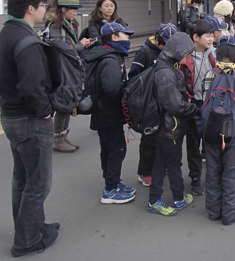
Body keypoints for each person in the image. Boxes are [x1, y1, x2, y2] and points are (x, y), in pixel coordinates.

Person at [0, 0, 59, 257]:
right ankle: (28, 240)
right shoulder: (27, 41)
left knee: (22, 178)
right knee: (39, 182)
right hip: (30, 119)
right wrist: (45, 111)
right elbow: (32, 87)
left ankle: (29, 228)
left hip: (10, 117)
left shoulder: (6, 34)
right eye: (44, 6)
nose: (45, 11)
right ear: (31, 8)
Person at [201, 36, 235, 225]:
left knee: (213, 171)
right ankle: (231, 214)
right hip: (232, 132)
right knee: (232, 172)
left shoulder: (210, 75)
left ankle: (214, 211)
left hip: (210, 130)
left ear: (218, 54)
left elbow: (204, 99)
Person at [84, 22, 137, 204]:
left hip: (101, 112)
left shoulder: (102, 55)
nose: (128, 39)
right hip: (108, 112)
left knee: (107, 148)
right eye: (125, 35)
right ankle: (110, 190)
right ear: (114, 37)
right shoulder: (110, 59)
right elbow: (112, 88)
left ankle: (112, 181)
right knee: (117, 149)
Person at [148, 33, 199, 216]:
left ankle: (154, 200)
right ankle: (178, 198)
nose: (188, 57)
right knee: (174, 163)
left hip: (165, 125)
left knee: (160, 163)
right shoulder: (166, 73)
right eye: (186, 53)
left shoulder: (165, 67)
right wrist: (194, 109)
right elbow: (174, 104)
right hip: (170, 127)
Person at [39, 0, 93, 153]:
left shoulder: (69, 24)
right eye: (73, 10)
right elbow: (62, 50)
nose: (75, 13)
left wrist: (81, 45)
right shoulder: (55, 27)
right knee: (64, 101)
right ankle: (58, 137)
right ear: (63, 9)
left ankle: (63, 134)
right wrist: (80, 46)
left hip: (69, 67)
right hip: (61, 69)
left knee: (69, 100)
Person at [129, 23, 178, 188]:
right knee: (149, 139)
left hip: (165, 101)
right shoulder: (145, 51)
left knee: (164, 138)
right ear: (158, 39)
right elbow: (133, 76)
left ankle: (160, 166)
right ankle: (146, 172)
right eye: (165, 43)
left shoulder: (173, 53)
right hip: (149, 103)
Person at [181, 19, 217, 196]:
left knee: (210, 141)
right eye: (208, 35)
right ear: (195, 37)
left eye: (212, 35)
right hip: (193, 104)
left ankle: (212, 176)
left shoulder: (212, 55)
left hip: (209, 103)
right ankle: (195, 177)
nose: (211, 38)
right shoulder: (185, 58)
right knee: (193, 142)